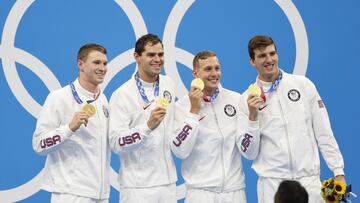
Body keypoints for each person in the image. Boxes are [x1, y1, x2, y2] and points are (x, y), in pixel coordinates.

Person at [239, 35, 346, 203]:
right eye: (261, 56)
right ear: (252, 61)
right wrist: (253, 117)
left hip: (308, 183)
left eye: (272, 53)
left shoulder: (303, 85)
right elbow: (248, 153)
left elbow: (324, 132)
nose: (269, 60)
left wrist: (338, 171)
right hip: (272, 186)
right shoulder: (246, 99)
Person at [171, 50, 256, 202]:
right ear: (195, 73)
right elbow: (180, 151)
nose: (214, 73)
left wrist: (253, 119)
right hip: (200, 193)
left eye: (217, 68)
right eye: (208, 69)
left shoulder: (236, 100)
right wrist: (194, 111)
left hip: (234, 192)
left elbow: (249, 151)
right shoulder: (182, 107)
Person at [32, 44, 110, 203]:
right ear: (80, 64)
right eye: (96, 62)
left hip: (101, 195)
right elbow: (39, 144)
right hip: (71, 193)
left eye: (105, 63)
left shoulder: (103, 100)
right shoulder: (58, 98)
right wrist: (68, 128)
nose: (102, 68)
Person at [108, 33, 177, 203]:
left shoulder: (169, 84)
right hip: (137, 187)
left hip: (167, 183)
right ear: (137, 57)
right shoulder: (122, 94)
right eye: (151, 55)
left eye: (160, 55)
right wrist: (147, 127)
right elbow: (116, 143)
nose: (157, 59)